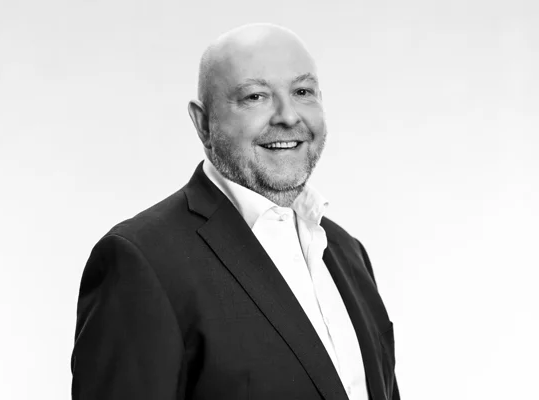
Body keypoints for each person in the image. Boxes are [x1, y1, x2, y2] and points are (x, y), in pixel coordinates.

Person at [71, 23, 399, 400]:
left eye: (302, 92)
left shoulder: (347, 252)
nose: (288, 116)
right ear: (203, 123)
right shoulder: (142, 261)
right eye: (255, 96)